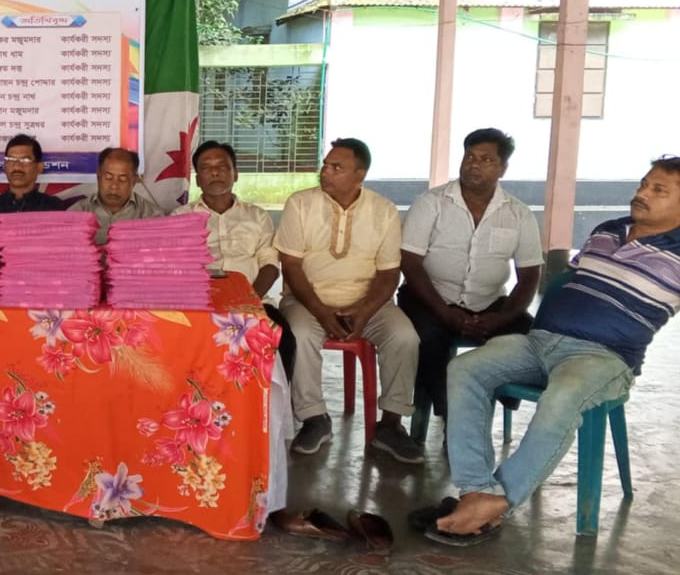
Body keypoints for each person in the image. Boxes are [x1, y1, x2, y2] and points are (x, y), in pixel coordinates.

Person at [429, 156, 680, 544]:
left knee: (563, 395)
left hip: (603, 357)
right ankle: (478, 490)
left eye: (658, 189)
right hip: (539, 342)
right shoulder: (607, 230)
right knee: (465, 368)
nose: (642, 193)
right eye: (643, 184)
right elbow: (572, 282)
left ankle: (495, 504)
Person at [274, 138, 422, 463]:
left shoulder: (383, 211)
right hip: (307, 301)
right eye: (325, 165)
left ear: (360, 174)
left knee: (404, 337)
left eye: (336, 167)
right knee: (298, 333)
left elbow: (389, 274)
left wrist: (364, 311)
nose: (325, 172)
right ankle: (314, 418)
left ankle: (391, 424)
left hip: (368, 304)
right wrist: (321, 311)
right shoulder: (300, 204)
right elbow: (291, 266)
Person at [399, 128, 542, 424]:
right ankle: (454, 418)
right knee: (426, 338)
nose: (474, 165)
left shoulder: (518, 214)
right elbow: (410, 263)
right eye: (469, 157)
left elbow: (529, 276)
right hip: (430, 298)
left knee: (531, 338)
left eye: (486, 160)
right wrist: (444, 311)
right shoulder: (431, 203)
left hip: (489, 304)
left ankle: (497, 395)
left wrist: (501, 318)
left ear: (502, 168)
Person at [173, 139, 295, 375]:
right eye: (206, 168)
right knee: (176, 344)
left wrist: (248, 301)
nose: (215, 172)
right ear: (198, 179)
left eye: (222, 166)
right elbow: (175, 267)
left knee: (285, 340)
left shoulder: (257, 216)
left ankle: (273, 400)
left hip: (254, 301)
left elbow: (270, 265)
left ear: (235, 174)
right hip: (199, 306)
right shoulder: (180, 217)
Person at [71, 146, 161, 244]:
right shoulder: (77, 213)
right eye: (108, 177)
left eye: (122, 179)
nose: (114, 186)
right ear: (98, 176)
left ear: (134, 181)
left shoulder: (152, 216)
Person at [0, 133, 65, 221]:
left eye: (25, 160)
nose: (17, 167)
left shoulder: (52, 206)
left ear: (39, 167)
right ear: (5, 166)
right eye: (11, 160)